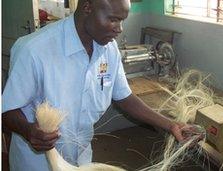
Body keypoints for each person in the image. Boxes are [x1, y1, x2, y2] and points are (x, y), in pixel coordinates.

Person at [2, 0, 202, 170]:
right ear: (88, 7)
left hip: (81, 158)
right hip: (38, 163)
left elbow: (124, 97)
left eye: (122, 20)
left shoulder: (109, 49)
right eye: (113, 19)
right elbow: (6, 111)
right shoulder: (34, 50)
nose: (119, 29)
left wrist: (171, 125)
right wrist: (29, 131)